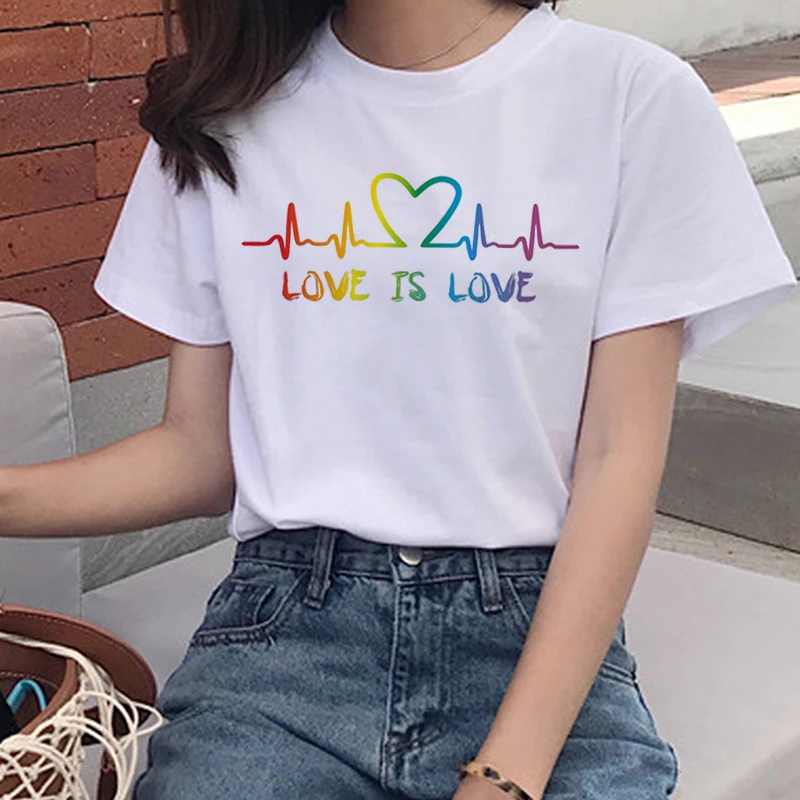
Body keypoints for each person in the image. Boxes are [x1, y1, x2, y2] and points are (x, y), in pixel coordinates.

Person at [1, 0, 796, 797]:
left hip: (529, 630)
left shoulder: (629, 96)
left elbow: (617, 462)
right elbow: (199, 454)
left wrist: (505, 777)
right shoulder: (218, 117)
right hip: (286, 641)